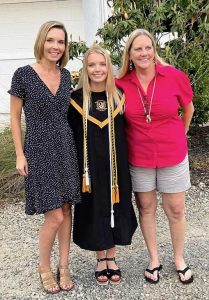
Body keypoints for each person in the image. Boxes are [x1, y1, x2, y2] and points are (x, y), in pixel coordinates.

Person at [115, 29, 194, 284]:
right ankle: (154, 259)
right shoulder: (121, 83)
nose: (144, 53)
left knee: (176, 209)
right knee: (146, 208)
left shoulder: (174, 76)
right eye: (137, 49)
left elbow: (188, 107)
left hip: (173, 153)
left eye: (147, 47)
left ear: (154, 50)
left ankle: (179, 259)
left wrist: (180, 133)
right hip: (139, 156)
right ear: (129, 53)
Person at [9, 20, 81, 294]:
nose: (55, 46)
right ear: (42, 41)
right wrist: (19, 153)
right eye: (51, 40)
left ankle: (64, 265)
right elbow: (15, 116)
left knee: (66, 209)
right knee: (54, 216)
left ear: (65, 47)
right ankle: (44, 267)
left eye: (60, 42)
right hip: (38, 149)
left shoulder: (66, 76)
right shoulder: (23, 75)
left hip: (65, 148)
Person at [68, 45, 137, 285]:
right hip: (88, 168)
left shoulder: (119, 96)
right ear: (85, 69)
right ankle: (100, 258)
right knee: (94, 206)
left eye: (102, 64)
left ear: (109, 67)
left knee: (117, 205)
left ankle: (112, 256)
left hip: (116, 166)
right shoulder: (75, 100)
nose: (97, 69)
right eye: (91, 65)